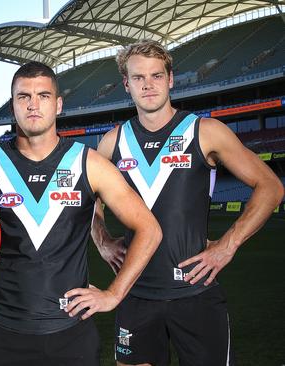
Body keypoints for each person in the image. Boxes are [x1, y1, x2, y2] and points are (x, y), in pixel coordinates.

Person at [0, 61, 162, 366]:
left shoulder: (90, 164)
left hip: (71, 334)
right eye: (23, 97)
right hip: (5, 333)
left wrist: (113, 294)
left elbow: (149, 229)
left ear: (58, 104)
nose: (33, 105)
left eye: (43, 96)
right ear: (13, 106)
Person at [91, 39, 284, 366]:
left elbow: (270, 186)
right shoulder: (113, 141)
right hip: (134, 293)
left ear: (170, 79)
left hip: (196, 293)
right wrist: (103, 241)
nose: (148, 85)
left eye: (156, 76)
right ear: (126, 84)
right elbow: (87, 199)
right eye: (138, 78)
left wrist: (227, 245)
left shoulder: (205, 131)